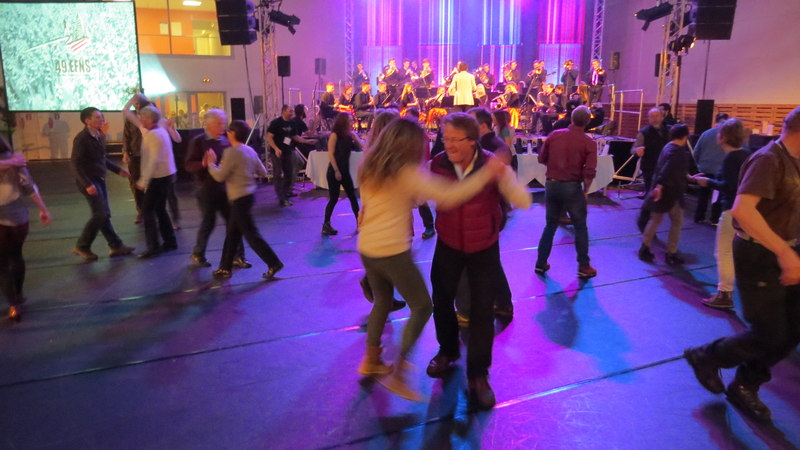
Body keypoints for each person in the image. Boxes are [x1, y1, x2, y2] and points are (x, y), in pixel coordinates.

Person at [356, 118, 505, 401]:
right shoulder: (407, 173)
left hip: (367, 247)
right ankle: (400, 372)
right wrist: (488, 173)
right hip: (391, 250)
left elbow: (380, 203)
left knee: (383, 302)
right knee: (423, 306)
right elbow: (451, 194)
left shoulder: (369, 165)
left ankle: (371, 359)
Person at [684, 107, 800, 423]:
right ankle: (707, 356)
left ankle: (746, 384)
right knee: (770, 332)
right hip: (760, 254)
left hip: (789, 249)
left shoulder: (794, 161)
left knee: (793, 330)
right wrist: (784, 252)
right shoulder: (769, 160)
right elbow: (743, 210)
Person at [426, 113, 531, 410]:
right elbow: (428, 194)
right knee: (441, 301)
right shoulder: (438, 164)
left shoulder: (492, 165)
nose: (448, 145)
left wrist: (507, 180)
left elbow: (521, 199)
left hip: (483, 246)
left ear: (472, 141)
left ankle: (478, 375)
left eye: (454, 139)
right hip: (448, 243)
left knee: (483, 310)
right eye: (445, 138)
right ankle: (448, 350)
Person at [205, 120, 284, 280]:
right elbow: (262, 171)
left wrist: (211, 164)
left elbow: (220, 176)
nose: (227, 133)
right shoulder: (249, 151)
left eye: (229, 131)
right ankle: (225, 268)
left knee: (251, 235)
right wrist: (245, 172)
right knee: (232, 235)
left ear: (233, 133)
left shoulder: (231, 153)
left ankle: (274, 262)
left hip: (238, 198)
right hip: (247, 197)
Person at [692, 119, 750, 309]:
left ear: (723, 137)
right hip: (746, 210)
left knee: (723, 252)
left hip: (731, 209)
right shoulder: (746, 155)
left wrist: (708, 182)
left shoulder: (731, 158)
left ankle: (725, 293)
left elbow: (729, 186)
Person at [535, 105, 598, 278]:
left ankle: (540, 263)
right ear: (587, 122)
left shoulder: (555, 135)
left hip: (552, 184)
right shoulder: (589, 142)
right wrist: (586, 190)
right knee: (580, 226)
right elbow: (590, 171)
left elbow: (541, 158)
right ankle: (583, 266)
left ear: (571, 118)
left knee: (550, 225)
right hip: (572, 187)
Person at [184, 108, 249, 269]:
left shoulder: (226, 140)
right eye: (219, 124)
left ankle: (238, 256)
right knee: (209, 221)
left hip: (225, 187)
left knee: (233, 222)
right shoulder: (198, 141)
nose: (222, 127)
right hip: (206, 188)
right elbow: (188, 165)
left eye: (223, 123)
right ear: (208, 125)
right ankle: (198, 253)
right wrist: (203, 164)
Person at [71, 107, 135, 261]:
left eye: (101, 116)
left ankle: (116, 245)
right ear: (87, 121)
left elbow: (102, 159)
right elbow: (75, 164)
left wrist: (118, 170)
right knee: (100, 214)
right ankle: (82, 246)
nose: (101, 119)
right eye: (97, 117)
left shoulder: (99, 135)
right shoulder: (82, 139)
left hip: (99, 179)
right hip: (90, 181)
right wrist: (87, 184)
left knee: (103, 214)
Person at [0, 136, 51, 322]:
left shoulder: (15, 160)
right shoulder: (15, 160)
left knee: (2, 264)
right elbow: (30, 187)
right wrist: (43, 209)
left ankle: (13, 304)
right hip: (19, 218)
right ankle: (18, 294)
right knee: (16, 256)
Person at [123, 101, 180, 259]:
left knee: (148, 211)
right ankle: (170, 241)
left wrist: (143, 181)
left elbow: (153, 160)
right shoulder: (156, 130)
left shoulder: (155, 134)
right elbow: (127, 112)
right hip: (165, 175)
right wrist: (136, 97)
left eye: (142, 117)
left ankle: (153, 246)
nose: (140, 119)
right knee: (159, 209)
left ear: (150, 119)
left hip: (159, 177)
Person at [638, 124, 693, 265]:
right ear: (685, 137)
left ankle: (644, 248)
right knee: (677, 222)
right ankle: (671, 253)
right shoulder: (679, 152)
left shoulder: (667, 147)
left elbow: (666, 168)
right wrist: (660, 186)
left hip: (661, 191)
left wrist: (658, 186)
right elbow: (668, 169)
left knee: (655, 220)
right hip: (672, 192)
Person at [267, 105, 317, 207]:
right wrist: (276, 149)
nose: (292, 113)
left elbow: (295, 137)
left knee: (289, 175)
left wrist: (307, 141)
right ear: (283, 111)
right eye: (290, 111)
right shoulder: (276, 123)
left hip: (288, 151)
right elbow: (269, 137)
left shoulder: (292, 123)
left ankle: (285, 194)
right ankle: (282, 197)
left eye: (292, 111)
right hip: (276, 152)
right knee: (277, 174)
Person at [322, 113, 363, 236]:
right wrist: (336, 170)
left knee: (352, 197)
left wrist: (356, 138)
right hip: (334, 171)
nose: (352, 122)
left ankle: (360, 223)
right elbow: (331, 154)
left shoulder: (349, 135)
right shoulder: (335, 135)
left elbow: (362, 146)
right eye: (349, 120)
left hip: (344, 171)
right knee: (334, 198)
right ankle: (326, 224)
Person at [632, 107, 670, 232]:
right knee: (651, 194)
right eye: (651, 116)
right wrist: (637, 151)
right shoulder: (644, 132)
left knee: (660, 197)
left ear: (662, 117)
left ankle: (650, 223)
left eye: (656, 116)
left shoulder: (668, 130)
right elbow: (634, 149)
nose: (654, 119)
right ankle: (644, 221)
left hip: (665, 168)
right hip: (650, 167)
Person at [693, 113, 731, 224]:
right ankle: (714, 219)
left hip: (705, 168)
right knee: (717, 197)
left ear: (716, 121)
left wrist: (699, 165)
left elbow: (696, 151)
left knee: (703, 196)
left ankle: (699, 217)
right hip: (720, 170)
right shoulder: (727, 136)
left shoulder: (706, 134)